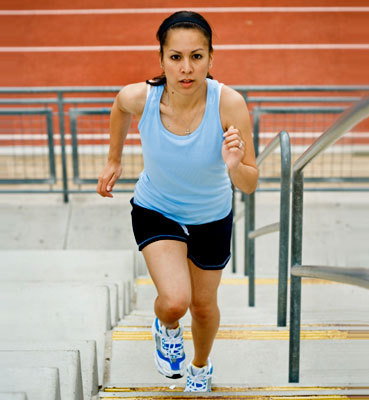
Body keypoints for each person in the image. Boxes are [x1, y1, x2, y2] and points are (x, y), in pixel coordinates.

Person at [97, 10, 258, 392]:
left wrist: (234, 165)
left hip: (211, 216)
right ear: (162, 59)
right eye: (176, 57)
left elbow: (249, 183)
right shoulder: (143, 98)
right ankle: (166, 327)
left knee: (203, 307)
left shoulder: (229, 104)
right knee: (174, 302)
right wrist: (114, 159)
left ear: (211, 58)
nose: (186, 68)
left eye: (197, 56)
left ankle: (200, 368)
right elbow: (119, 107)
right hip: (157, 209)